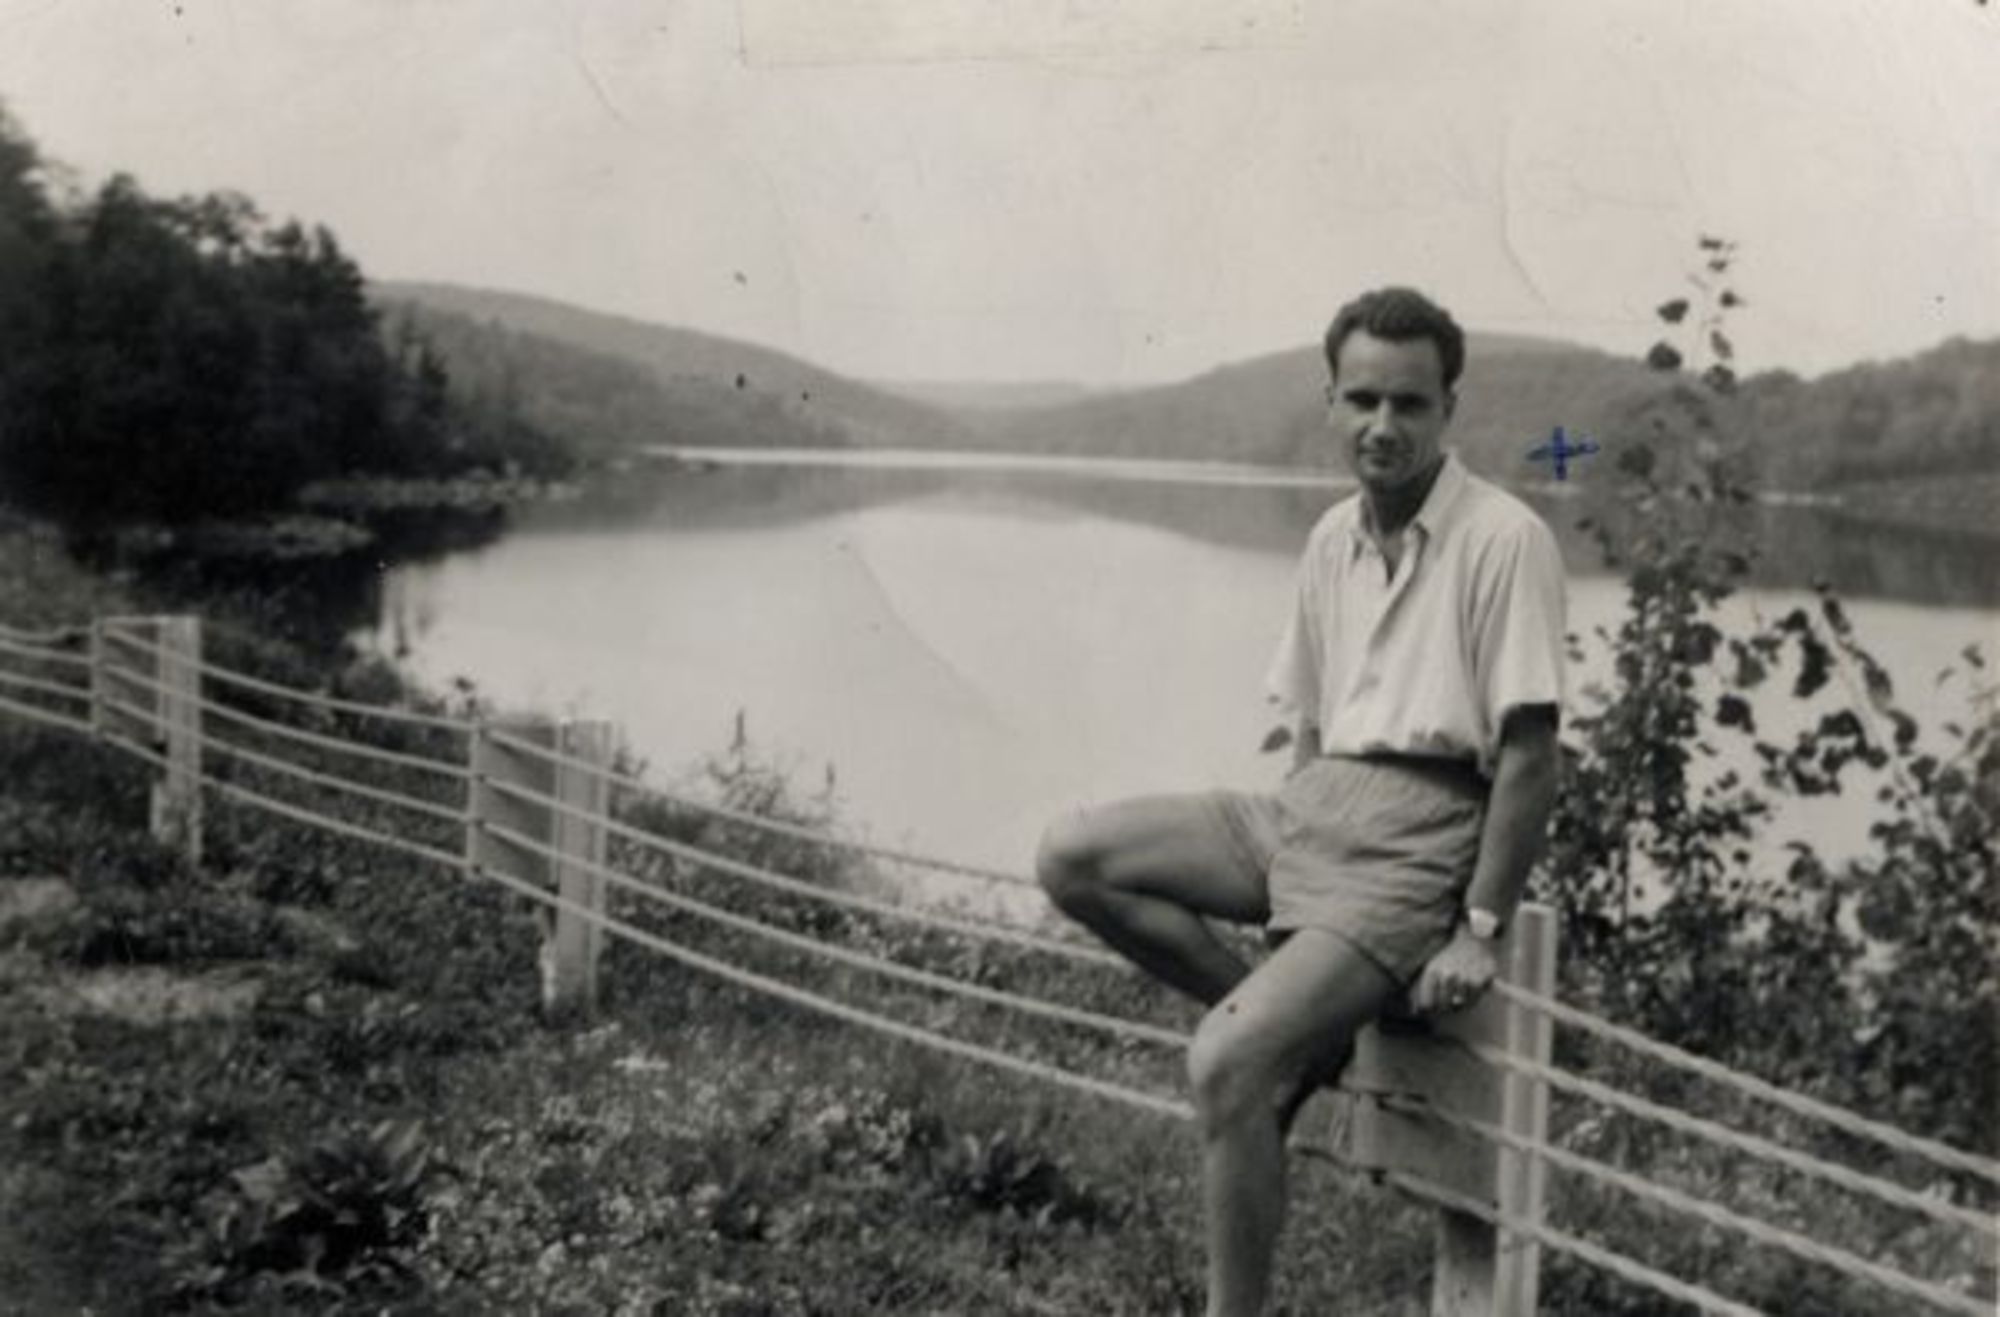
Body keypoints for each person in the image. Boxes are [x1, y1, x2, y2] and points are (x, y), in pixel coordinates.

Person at [1036, 287, 1565, 1317]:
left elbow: (1531, 755)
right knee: (1073, 855)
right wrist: (1300, 848)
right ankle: (1302, 1043)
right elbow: (1313, 720)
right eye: (1361, 398)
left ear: (1448, 409)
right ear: (1329, 401)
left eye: (1409, 403)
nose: (1383, 425)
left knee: (1225, 1062)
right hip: (1315, 805)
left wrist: (1478, 927)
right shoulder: (1331, 537)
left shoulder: (1504, 538)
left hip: (1421, 835)